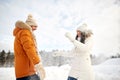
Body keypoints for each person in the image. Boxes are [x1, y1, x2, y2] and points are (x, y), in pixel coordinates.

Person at [13, 14, 45, 80]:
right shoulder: (25, 32)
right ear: (30, 25)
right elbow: (29, 48)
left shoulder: (22, 32)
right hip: (26, 72)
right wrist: (38, 64)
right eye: (35, 26)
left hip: (27, 71)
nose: (36, 29)